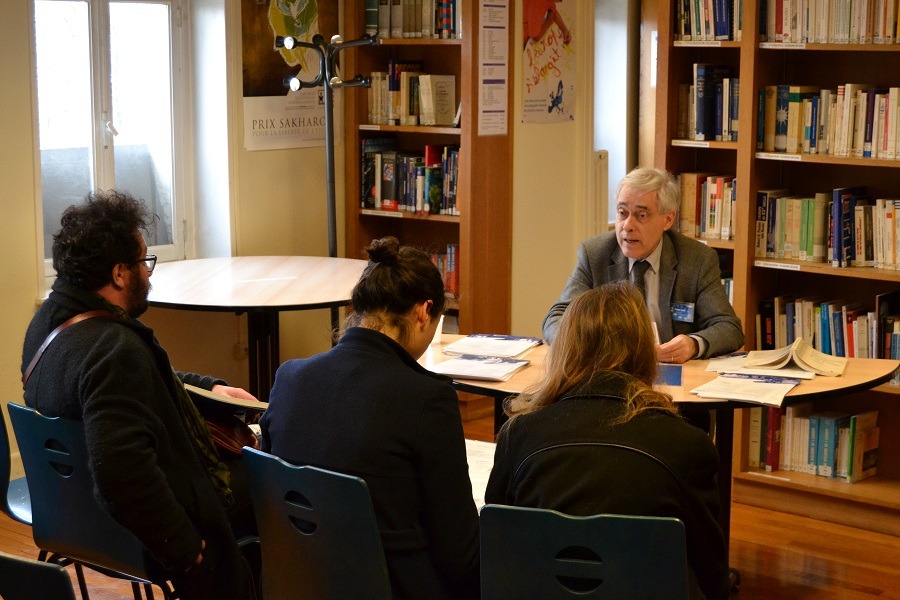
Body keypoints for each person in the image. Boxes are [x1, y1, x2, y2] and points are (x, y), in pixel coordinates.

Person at [21, 191, 257, 600]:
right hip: (142, 535)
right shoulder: (115, 350)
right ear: (119, 274)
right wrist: (187, 553)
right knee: (268, 481)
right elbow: (121, 476)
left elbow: (128, 385)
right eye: (144, 263)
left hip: (73, 518)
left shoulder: (48, 326)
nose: (149, 275)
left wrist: (209, 388)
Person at [259, 237, 480, 600]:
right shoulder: (428, 400)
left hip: (301, 580)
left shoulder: (290, 377)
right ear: (424, 311)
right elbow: (460, 554)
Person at [487, 283, 730, 600]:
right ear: (644, 351)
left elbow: (498, 544)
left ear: (567, 349)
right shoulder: (688, 446)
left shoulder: (518, 435)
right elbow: (711, 570)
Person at [542, 166, 743, 364]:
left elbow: (728, 328)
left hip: (670, 371)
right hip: (610, 368)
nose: (628, 226)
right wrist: (584, 348)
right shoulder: (595, 254)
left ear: (668, 219)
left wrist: (693, 344)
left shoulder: (697, 259)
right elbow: (556, 317)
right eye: (622, 213)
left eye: (641, 216)